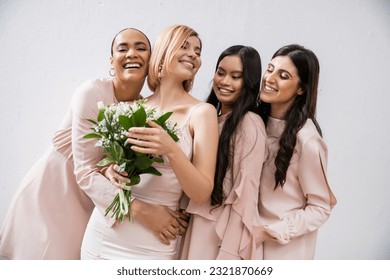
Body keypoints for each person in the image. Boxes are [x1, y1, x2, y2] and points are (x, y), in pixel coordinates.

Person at [0, 28, 183, 260]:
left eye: (141, 48)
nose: (131, 54)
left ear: (152, 59)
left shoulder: (144, 108)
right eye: (122, 48)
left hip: (95, 203)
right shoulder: (91, 92)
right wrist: (142, 210)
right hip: (53, 193)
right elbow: (85, 169)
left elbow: (121, 162)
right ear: (111, 59)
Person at [80, 24, 219, 260]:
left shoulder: (202, 113)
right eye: (184, 46)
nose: (194, 54)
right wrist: (109, 169)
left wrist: (171, 150)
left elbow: (201, 193)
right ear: (163, 54)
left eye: (198, 51)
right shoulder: (131, 108)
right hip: (104, 236)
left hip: (155, 245)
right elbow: (100, 167)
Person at [179, 45, 267, 259]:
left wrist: (229, 254)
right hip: (197, 224)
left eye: (235, 76)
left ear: (249, 82)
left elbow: (245, 196)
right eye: (220, 72)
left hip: (220, 237)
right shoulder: (207, 118)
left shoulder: (249, 123)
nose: (225, 82)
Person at [255, 44, 337, 259]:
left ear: (301, 88)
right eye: (270, 69)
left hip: (286, 251)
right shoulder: (255, 125)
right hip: (251, 245)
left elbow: (320, 207)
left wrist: (271, 231)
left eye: (283, 76)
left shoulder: (307, 140)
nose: (270, 79)